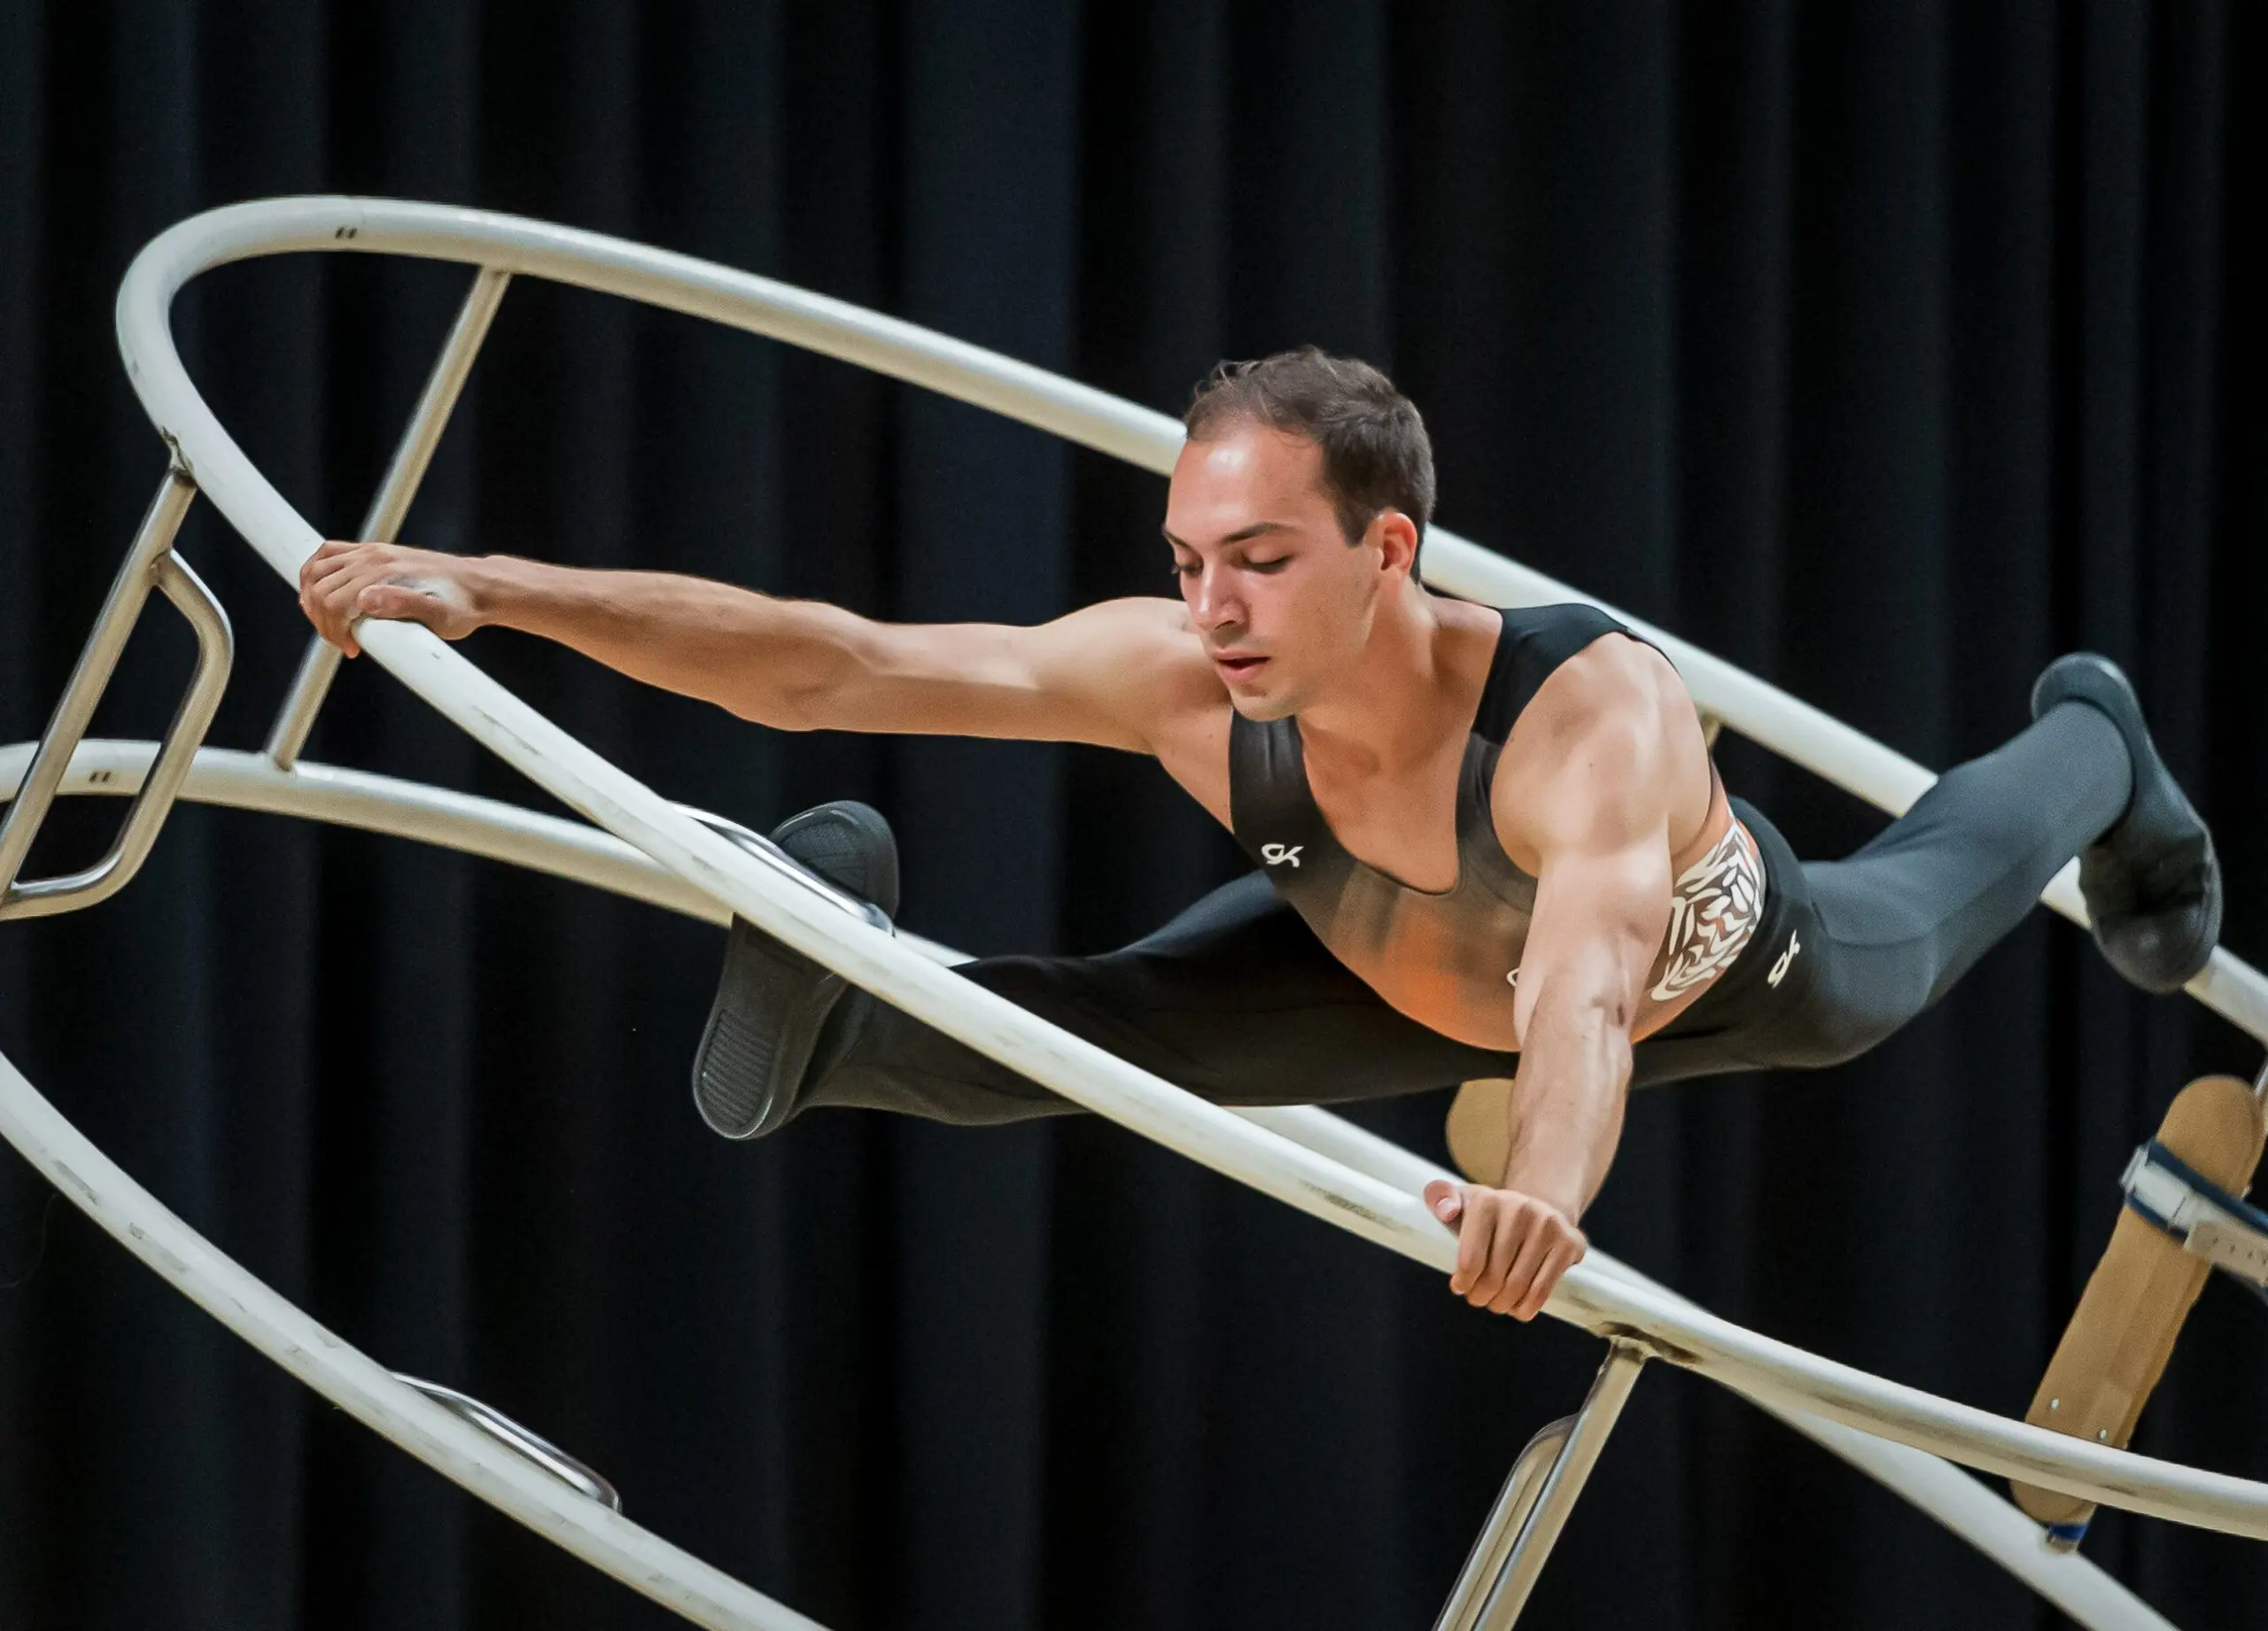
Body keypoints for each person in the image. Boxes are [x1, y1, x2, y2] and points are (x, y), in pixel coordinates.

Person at [297, 347, 2222, 1323]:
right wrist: (490, 583)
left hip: (1717, 983)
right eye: (1186, 561)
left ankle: (2096, 744)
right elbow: (836, 662)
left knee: (1946, 881)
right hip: (1366, 969)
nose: (1210, 608)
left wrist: (1538, 1192)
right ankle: (826, 1001)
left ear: (1386, 552)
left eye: (1261, 561)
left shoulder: (1589, 715)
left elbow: (1584, 1000)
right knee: (1083, 1034)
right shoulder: (1177, 673)